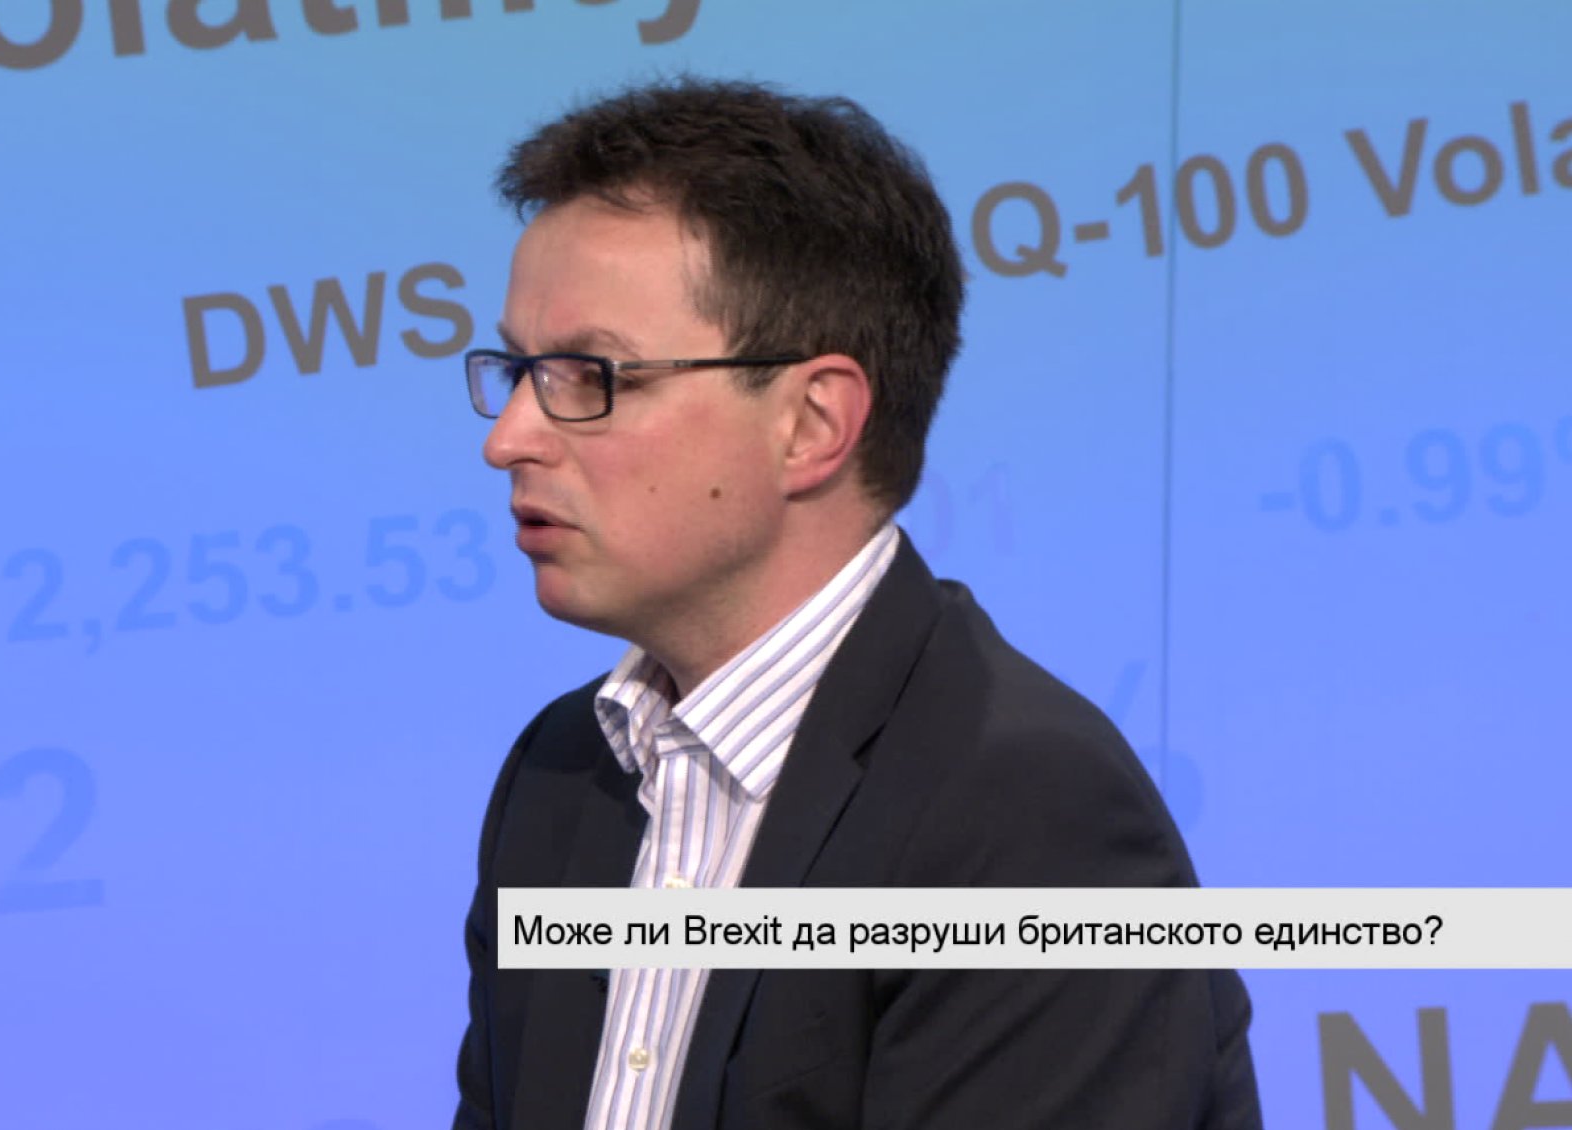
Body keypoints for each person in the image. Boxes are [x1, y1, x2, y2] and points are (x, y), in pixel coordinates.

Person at [452, 77, 1262, 1130]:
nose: (508, 437)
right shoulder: (561, 773)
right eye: (518, 370)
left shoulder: (1028, 814)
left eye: (587, 375)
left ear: (812, 424)